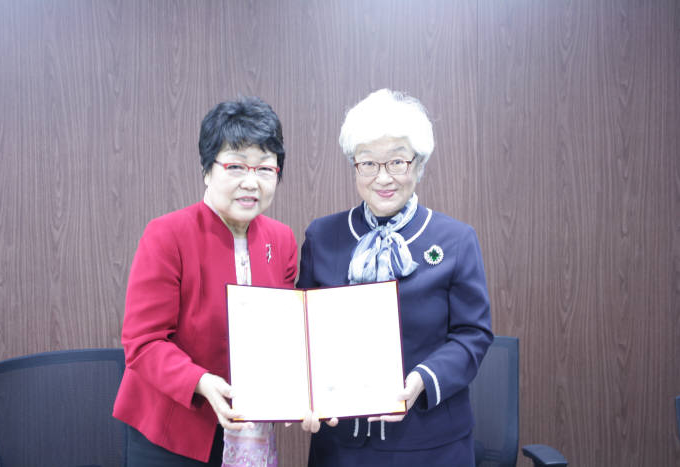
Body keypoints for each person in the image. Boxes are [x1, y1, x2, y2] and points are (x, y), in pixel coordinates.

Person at [298, 89, 493, 466]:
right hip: (341, 447)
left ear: (418, 165)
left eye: (397, 162)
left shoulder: (455, 240)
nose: (382, 178)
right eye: (368, 163)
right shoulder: (322, 237)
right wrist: (304, 395)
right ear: (355, 166)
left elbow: (473, 334)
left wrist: (421, 380)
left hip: (430, 443)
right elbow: (304, 334)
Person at [113, 96, 296, 466]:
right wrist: (201, 382)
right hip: (174, 431)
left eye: (264, 169)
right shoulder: (167, 234)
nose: (251, 182)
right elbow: (143, 342)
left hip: (251, 427)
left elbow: (284, 332)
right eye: (235, 167)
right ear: (207, 170)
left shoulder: (282, 240)